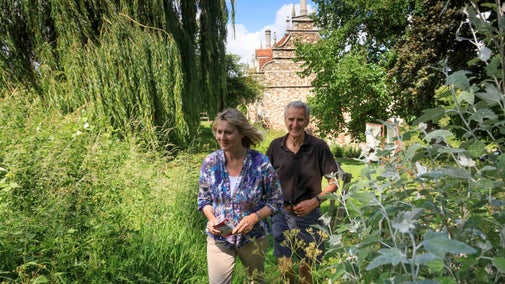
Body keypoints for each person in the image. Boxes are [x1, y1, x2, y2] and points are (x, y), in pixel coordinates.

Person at [197, 108, 283, 284]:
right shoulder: (211, 162)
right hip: (220, 236)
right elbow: (204, 199)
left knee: (256, 281)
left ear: (241, 133)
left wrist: (255, 217)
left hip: (253, 237)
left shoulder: (260, 163)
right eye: (219, 132)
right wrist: (212, 218)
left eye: (228, 132)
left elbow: (276, 200)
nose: (222, 137)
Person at [266, 101, 340, 284]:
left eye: (300, 119)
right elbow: (265, 180)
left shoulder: (318, 147)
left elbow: (334, 182)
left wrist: (314, 201)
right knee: (285, 265)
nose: (295, 124)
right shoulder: (275, 147)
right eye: (291, 119)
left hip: (309, 216)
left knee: (307, 267)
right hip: (281, 215)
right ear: (285, 120)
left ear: (307, 121)